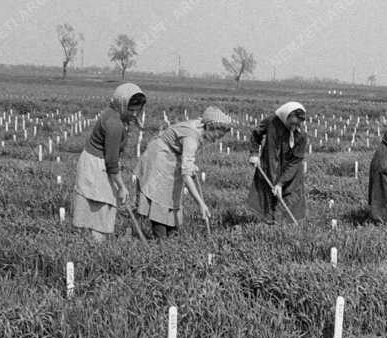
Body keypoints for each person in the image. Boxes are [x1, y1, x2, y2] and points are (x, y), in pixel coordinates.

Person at [133, 106, 233, 239]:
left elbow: (185, 153)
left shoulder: (201, 127)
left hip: (171, 156)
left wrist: (190, 165)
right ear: (211, 127)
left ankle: (170, 235)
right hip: (158, 157)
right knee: (160, 197)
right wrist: (201, 204)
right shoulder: (192, 137)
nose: (217, 139)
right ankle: (160, 239)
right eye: (217, 135)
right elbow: (186, 175)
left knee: (172, 196)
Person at [72, 82, 147, 242]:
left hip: (94, 161)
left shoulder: (113, 111)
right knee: (102, 208)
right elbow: (111, 163)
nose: (135, 114)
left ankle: (92, 245)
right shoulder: (114, 125)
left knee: (100, 210)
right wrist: (122, 187)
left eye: (137, 110)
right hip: (97, 166)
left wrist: (132, 119)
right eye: (131, 110)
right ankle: (95, 248)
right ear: (122, 103)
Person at [248, 100, 308, 223]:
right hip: (270, 163)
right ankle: (268, 223)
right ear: (287, 115)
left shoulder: (301, 135)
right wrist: (254, 153)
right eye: (292, 123)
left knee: (289, 194)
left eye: (297, 125)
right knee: (268, 192)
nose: (294, 127)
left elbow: (295, 161)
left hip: (290, 169)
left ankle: (284, 225)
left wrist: (281, 183)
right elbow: (256, 133)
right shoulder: (271, 121)